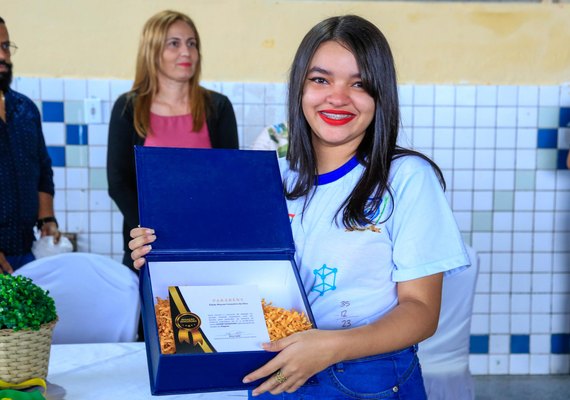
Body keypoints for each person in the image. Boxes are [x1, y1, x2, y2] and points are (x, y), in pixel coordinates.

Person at [130, 15, 469, 399]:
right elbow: (232, 276)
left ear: (381, 95)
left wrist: (329, 347)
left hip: (367, 378)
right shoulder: (273, 178)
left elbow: (421, 311)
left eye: (359, 84)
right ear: (299, 89)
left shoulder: (406, 177)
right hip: (274, 374)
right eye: (320, 80)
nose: (337, 97)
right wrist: (167, 256)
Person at [107, 10, 239, 269]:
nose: (186, 52)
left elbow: (228, 178)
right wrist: (147, 233)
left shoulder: (218, 107)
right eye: (174, 43)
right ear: (152, 51)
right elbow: (118, 182)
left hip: (206, 243)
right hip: (145, 248)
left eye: (192, 44)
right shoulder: (128, 107)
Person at [0, 16, 60, 274]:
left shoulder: (25, 109)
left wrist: (47, 219)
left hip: (26, 252)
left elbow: (43, 171)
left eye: (4, 46)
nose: (3, 56)